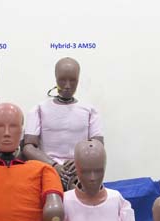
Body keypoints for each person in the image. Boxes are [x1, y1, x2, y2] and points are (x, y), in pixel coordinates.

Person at [23, 57, 103, 190]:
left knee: (84, 192)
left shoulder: (90, 110)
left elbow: (97, 146)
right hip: (47, 171)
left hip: (80, 173)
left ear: (78, 80)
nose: (67, 86)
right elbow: (28, 147)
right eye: (62, 80)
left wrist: (80, 162)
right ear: (56, 78)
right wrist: (54, 166)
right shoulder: (39, 109)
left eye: (73, 81)